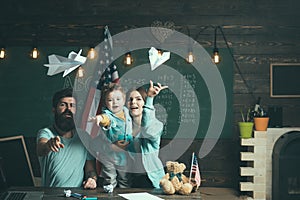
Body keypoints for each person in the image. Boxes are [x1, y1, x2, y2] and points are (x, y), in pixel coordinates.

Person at [36, 88, 97, 189]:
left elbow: (90, 170)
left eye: (72, 105)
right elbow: (41, 148)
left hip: (77, 195)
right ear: (54, 110)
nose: (68, 109)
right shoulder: (46, 133)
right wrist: (49, 145)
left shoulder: (84, 137)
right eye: (63, 105)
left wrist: (92, 179)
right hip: (50, 196)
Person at [90, 83, 132, 189]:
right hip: (109, 156)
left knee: (125, 179)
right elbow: (105, 119)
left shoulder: (126, 111)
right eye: (110, 100)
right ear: (105, 102)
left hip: (124, 155)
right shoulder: (109, 115)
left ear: (124, 99)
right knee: (110, 179)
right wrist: (99, 119)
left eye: (118, 99)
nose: (114, 103)